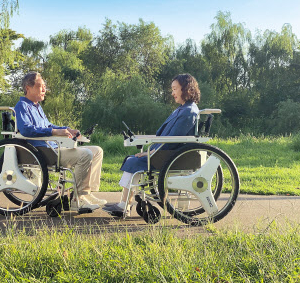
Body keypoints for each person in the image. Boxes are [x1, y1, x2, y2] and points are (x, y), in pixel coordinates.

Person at [102, 73, 201, 216]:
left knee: (133, 161)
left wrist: (150, 153)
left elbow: (172, 140)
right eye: (172, 89)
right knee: (133, 160)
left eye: (175, 89)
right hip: (167, 152)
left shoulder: (188, 112)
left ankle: (124, 205)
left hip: (170, 156)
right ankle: (125, 204)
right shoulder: (183, 109)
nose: (172, 93)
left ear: (187, 89)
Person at [14, 71, 106, 211]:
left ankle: (87, 193)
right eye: (41, 86)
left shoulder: (37, 106)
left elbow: (49, 126)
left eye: (45, 86)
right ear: (28, 88)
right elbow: (26, 130)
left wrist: (67, 129)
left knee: (97, 151)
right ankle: (78, 199)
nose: (45, 89)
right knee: (85, 154)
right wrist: (54, 132)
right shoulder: (22, 106)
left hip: (52, 148)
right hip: (42, 151)